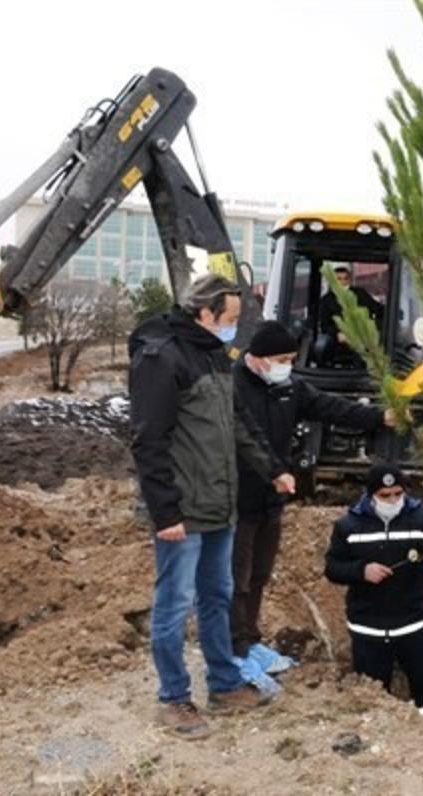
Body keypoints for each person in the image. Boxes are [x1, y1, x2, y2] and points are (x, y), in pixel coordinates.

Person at [129, 274, 295, 740]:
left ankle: (223, 685)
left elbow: (237, 423)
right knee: (174, 603)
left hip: (221, 505)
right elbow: (148, 440)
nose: (234, 327)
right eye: (230, 319)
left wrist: (271, 468)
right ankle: (173, 698)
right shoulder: (161, 358)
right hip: (183, 509)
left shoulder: (214, 355)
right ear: (204, 313)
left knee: (218, 595)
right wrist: (165, 513)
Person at [230, 320, 396, 662]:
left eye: (291, 359)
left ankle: (250, 639)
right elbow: (240, 441)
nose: (287, 366)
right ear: (259, 358)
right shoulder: (232, 387)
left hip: (271, 499)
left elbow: (332, 407)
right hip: (237, 498)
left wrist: (380, 417)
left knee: (259, 574)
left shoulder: (289, 386)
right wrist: (273, 471)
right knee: (236, 579)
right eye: (282, 359)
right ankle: (233, 651)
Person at [324, 463, 423, 717]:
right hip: (368, 629)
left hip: (414, 626)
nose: (393, 500)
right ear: (371, 495)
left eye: (397, 494)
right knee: (372, 707)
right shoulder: (348, 526)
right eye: (385, 496)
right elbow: (333, 568)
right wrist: (362, 571)